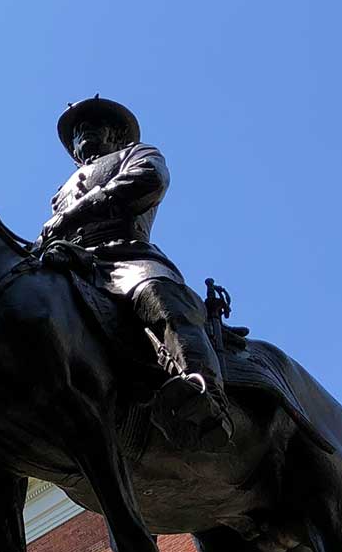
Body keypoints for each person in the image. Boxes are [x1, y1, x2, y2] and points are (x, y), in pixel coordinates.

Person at [38, 96, 229, 442]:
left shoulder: (137, 154)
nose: (83, 134)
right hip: (72, 263)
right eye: (78, 131)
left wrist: (74, 214)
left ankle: (205, 396)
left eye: (92, 126)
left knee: (159, 295)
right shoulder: (60, 191)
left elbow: (149, 180)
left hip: (125, 255)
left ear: (115, 134)